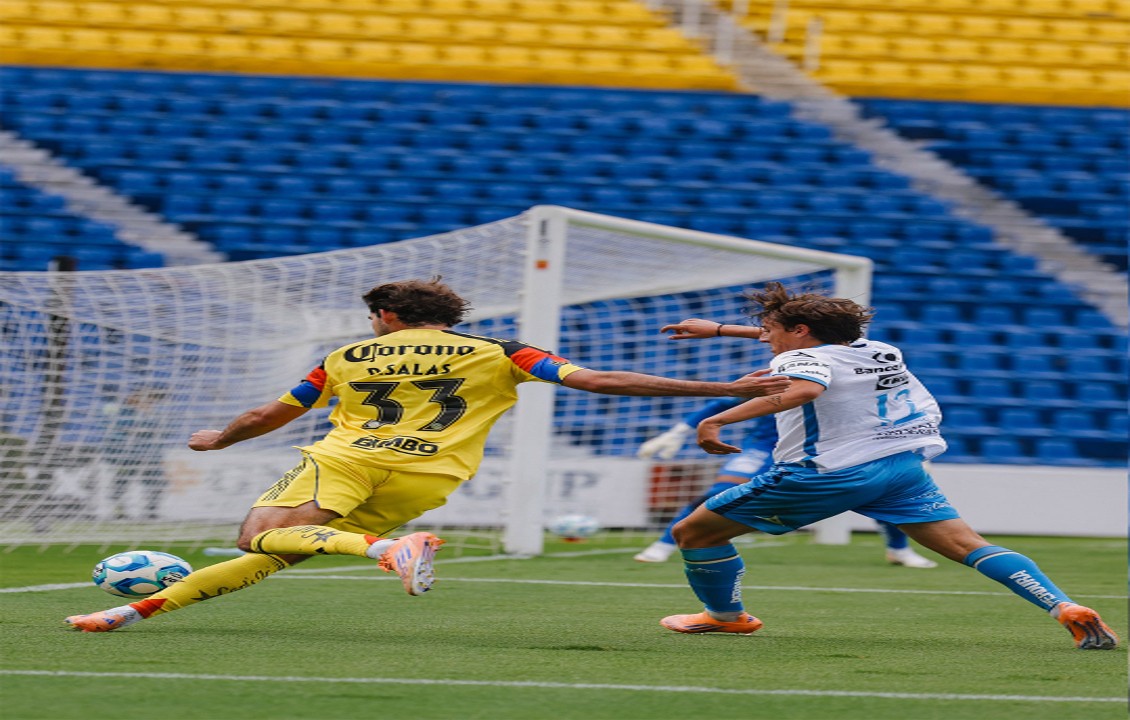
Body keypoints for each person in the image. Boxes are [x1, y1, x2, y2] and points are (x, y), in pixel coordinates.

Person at [65, 277, 791, 632]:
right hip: (433, 474)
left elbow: (270, 414)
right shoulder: (502, 350)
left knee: (258, 535)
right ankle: (134, 613)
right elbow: (599, 380)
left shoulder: (347, 355)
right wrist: (724, 385)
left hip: (349, 456)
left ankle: (387, 551)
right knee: (281, 551)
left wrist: (217, 439)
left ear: (386, 315)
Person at [656, 282, 1118, 650]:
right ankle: (1064, 607)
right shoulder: (879, 350)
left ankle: (726, 617)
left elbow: (805, 388)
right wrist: (720, 330)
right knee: (970, 545)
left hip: (829, 473)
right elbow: (812, 348)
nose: (765, 337)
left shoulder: (800, 358)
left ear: (799, 331)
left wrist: (717, 419)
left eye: (769, 329)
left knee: (694, 533)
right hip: (899, 467)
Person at [634, 405, 937, 568]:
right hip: (764, 447)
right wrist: (677, 433)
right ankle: (664, 544)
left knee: (883, 493)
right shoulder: (782, 371)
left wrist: (910, 450)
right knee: (719, 493)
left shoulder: (856, 377)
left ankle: (898, 551)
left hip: (827, 450)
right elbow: (723, 402)